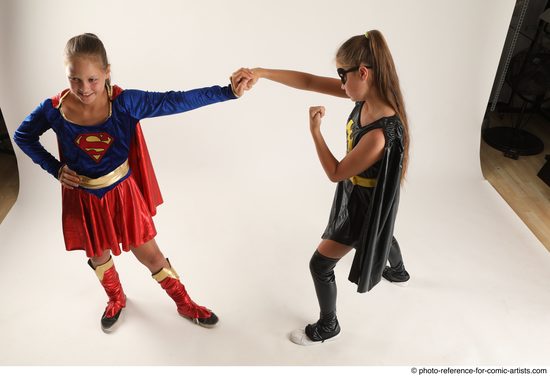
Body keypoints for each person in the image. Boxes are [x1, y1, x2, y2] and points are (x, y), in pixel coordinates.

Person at [13, 33, 251, 333]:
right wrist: (55, 168)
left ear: (107, 72)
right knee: (97, 254)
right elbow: (23, 135)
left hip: (123, 195)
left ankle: (183, 302)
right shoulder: (54, 108)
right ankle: (116, 298)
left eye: (92, 79)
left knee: (149, 254)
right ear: (66, 75)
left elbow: (174, 100)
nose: (84, 88)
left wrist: (227, 91)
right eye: (75, 79)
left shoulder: (124, 103)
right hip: (85, 199)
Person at [239, 30, 411, 345]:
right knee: (383, 231)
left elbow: (335, 172)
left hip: (364, 203)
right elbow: (308, 82)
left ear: (363, 72)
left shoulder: (378, 133)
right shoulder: (366, 93)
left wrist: (315, 131)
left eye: (342, 77)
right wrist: (262, 72)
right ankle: (398, 272)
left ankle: (328, 324)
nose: (341, 86)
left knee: (320, 264)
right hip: (362, 194)